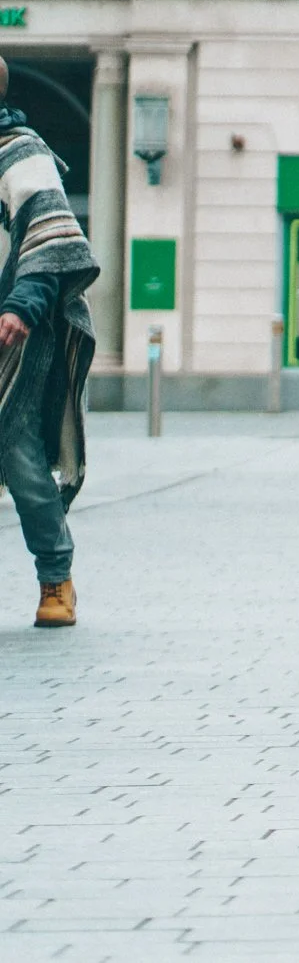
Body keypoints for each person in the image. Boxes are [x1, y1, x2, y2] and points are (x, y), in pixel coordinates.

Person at [0, 59, 101, 628]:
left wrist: (22, 306)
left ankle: (55, 578)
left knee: (20, 456)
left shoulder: (22, 152)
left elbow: (49, 235)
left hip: (14, 332)